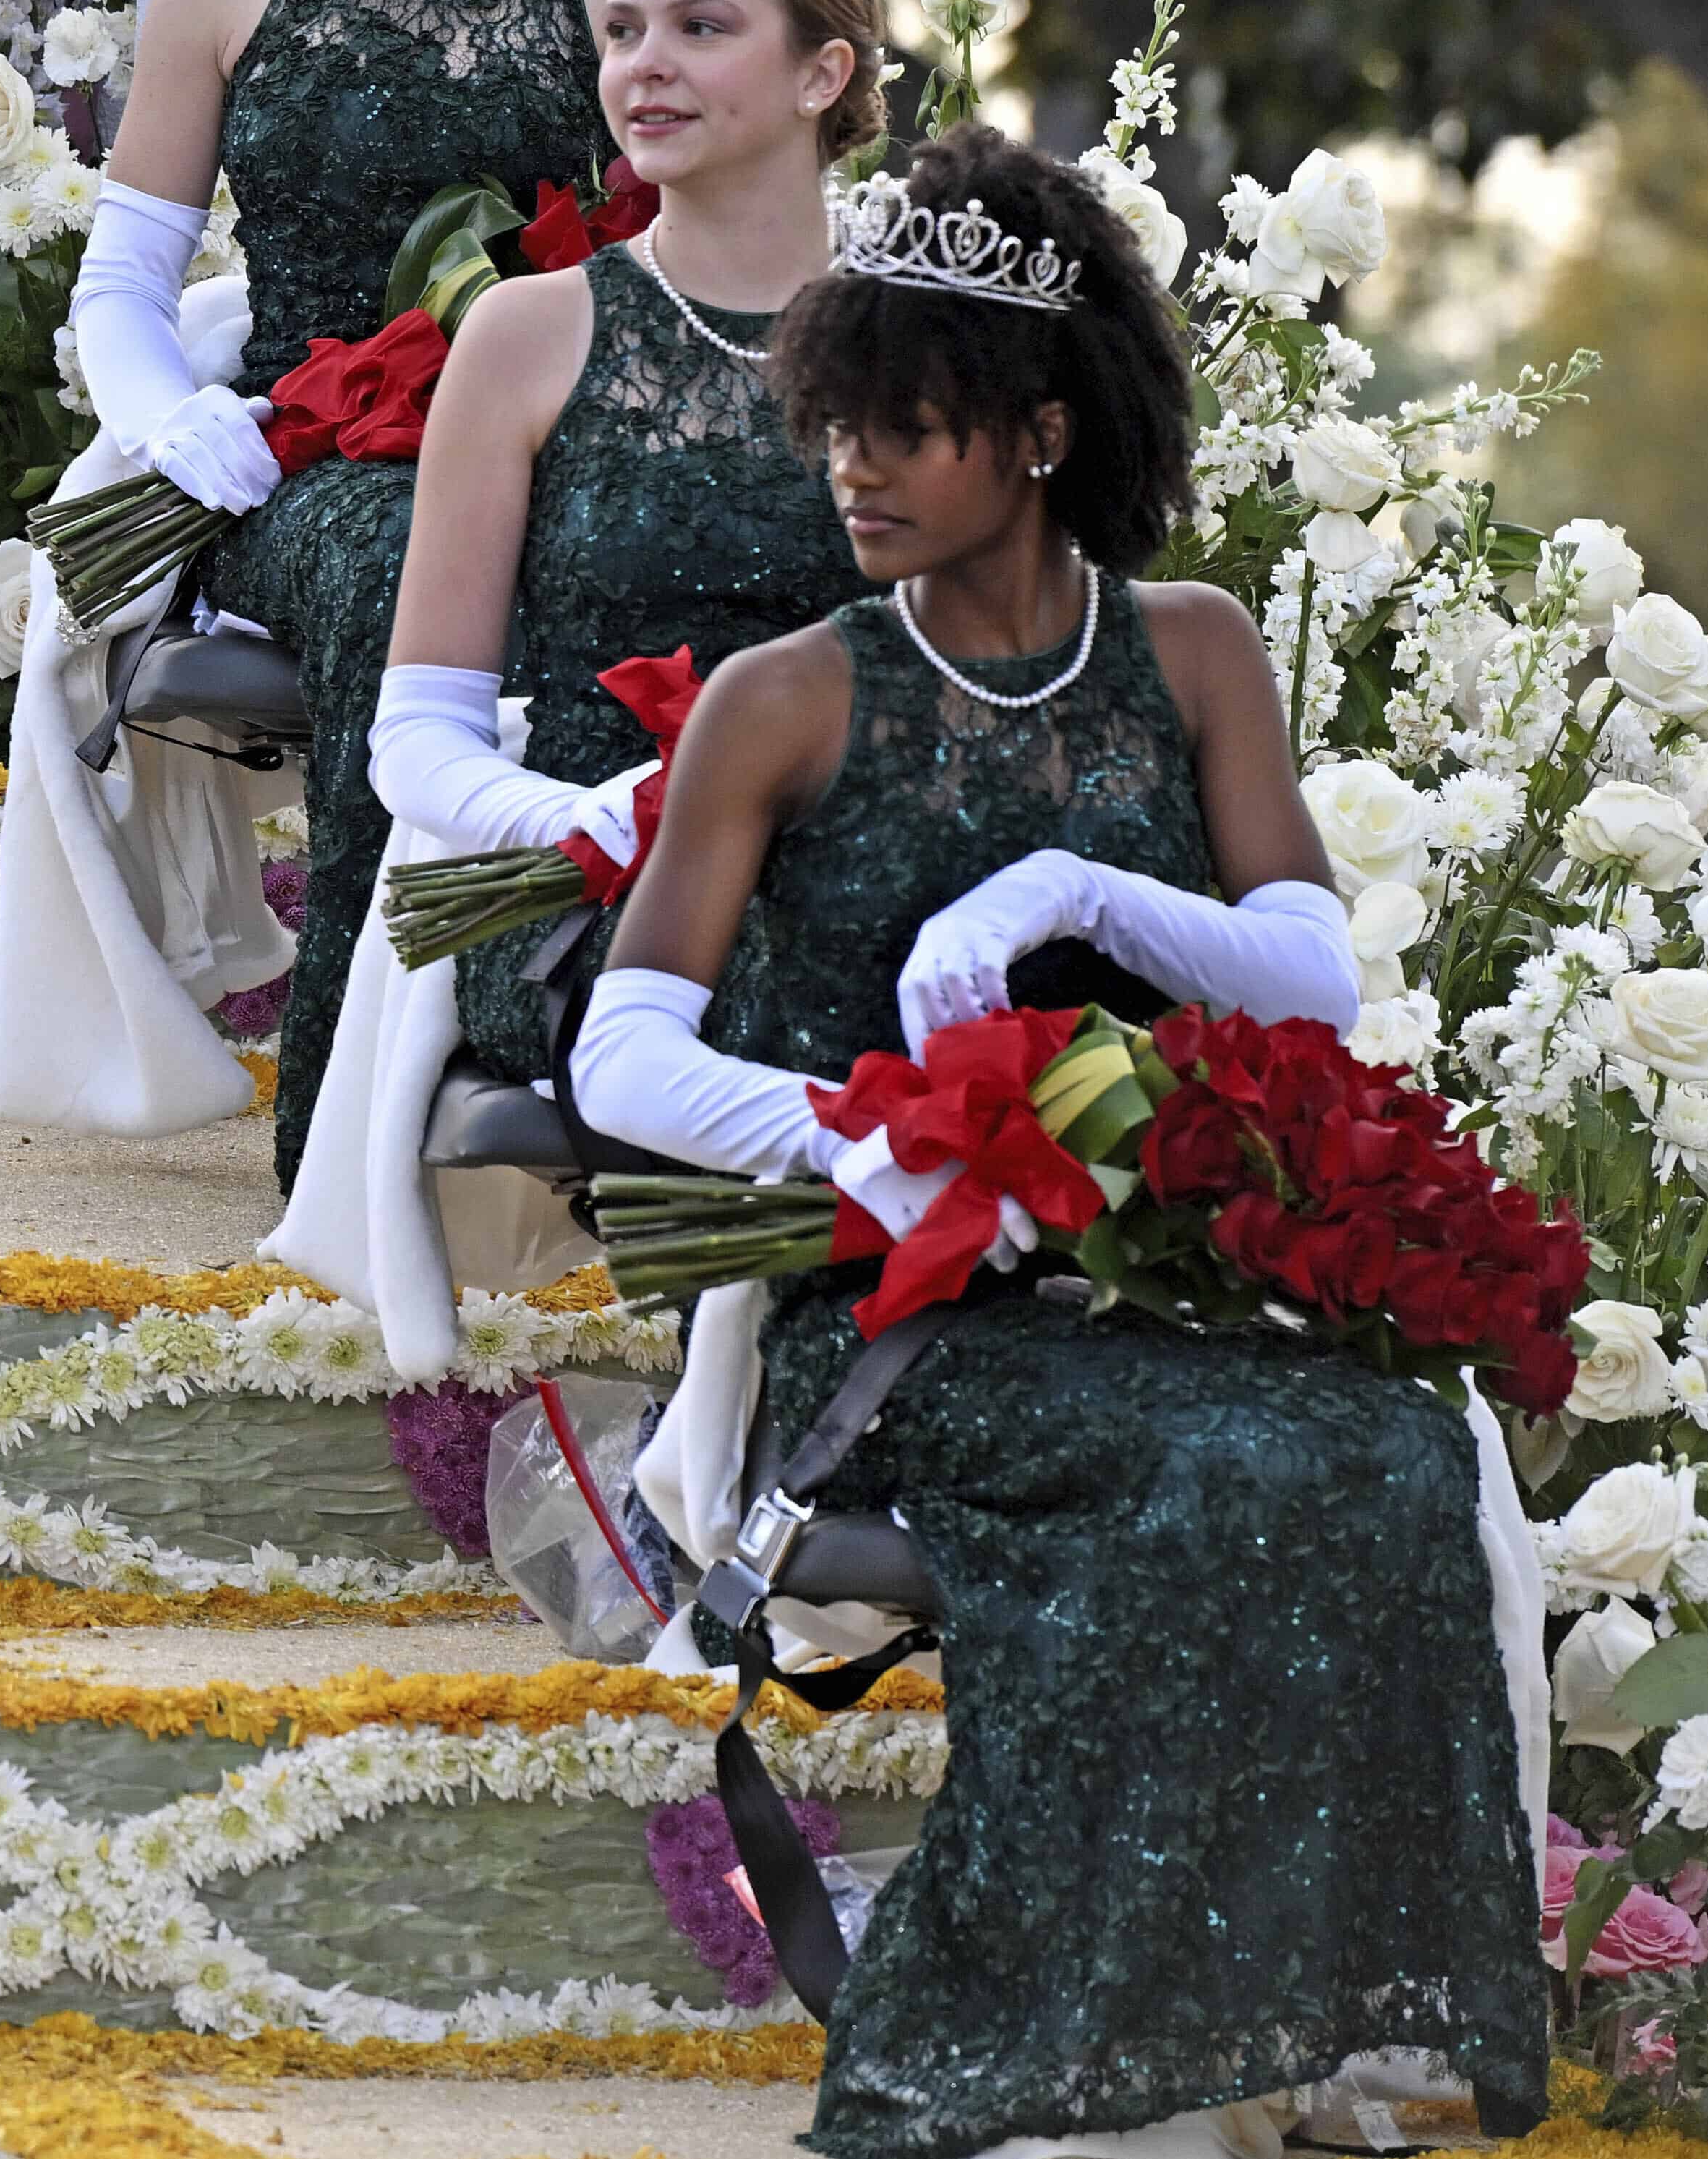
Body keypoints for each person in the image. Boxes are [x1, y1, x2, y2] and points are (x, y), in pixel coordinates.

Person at [575, 127, 1537, 2159]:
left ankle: (1307, 2009)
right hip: (907, 1313)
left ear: (1034, 430)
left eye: (904, 429)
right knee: (1197, 1472)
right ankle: (1013, 2054)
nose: (852, 469)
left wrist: (1064, 895)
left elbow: (1303, 978)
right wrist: (861, 1142)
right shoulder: (782, 695)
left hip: (1163, 1275)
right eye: (837, 422)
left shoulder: (1187, 645)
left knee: (1386, 1448)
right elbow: (623, 1051)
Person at [0, 0, 634, 1168]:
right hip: (302, 472)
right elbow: (119, 288)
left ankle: (593, 1069)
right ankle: (358, 1137)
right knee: (395, 550)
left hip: (543, 465)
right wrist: (163, 417)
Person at [264, 0, 876, 1351]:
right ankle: (765, 1423)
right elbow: (412, 742)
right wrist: (591, 816)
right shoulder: (532, 334)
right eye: (622, 30)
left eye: (700, 27)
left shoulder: (921, 338)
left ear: (822, 73)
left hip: (876, 858)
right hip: (596, 894)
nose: (643, 64)